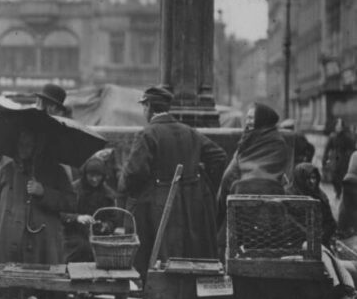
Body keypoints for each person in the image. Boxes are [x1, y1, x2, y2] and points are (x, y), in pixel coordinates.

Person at [120, 86, 227, 279]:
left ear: (149, 106)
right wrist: (199, 182)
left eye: (144, 106)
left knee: (158, 257)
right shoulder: (190, 132)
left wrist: (134, 189)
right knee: (189, 255)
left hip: (157, 205)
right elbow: (219, 157)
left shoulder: (148, 134)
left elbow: (134, 173)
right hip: (191, 203)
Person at [0, 125, 76, 299]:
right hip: (5, 244)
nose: (23, 149)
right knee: (6, 296)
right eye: (20, 144)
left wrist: (44, 192)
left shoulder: (56, 172)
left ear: (38, 146)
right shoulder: (6, 170)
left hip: (42, 247)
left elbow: (71, 202)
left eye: (28, 145)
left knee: (39, 297)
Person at [217, 103, 293, 233]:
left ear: (262, 119)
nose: (248, 122)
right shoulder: (278, 142)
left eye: (252, 118)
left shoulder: (249, 141)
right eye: (247, 118)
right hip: (272, 202)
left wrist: (219, 212)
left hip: (243, 197)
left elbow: (228, 176)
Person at [287, 162, 357, 299]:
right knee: (317, 250)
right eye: (308, 178)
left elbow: (330, 223)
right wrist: (310, 236)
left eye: (314, 178)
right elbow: (290, 223)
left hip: (320, 243)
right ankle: (343, 287)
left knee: (324, 253)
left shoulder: (320, 195)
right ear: (300, 179)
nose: (312, 181)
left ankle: (345, 287)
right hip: (297, 244)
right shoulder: (290, 195)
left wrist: (321, 236)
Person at [63, 154, 120, 263]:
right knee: (82, 248)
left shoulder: (108, 194)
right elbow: (61, 213)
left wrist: (105, 226)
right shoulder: (74, 190)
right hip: (74, 235)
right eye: (91, 175)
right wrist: (78, 218)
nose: (94, 179)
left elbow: (113, 219)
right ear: (85, 175)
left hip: (98, 237)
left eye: (98, 176)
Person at [323, 117, 355, 200]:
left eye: (340, 126)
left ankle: (341, 193)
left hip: (344, 160)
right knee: (333, 177)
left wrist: (348, 156)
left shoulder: (347, 137)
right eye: (337, 126)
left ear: (342, 127)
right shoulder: (332, 136)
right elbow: (327, 148)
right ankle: (337, 191)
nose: (339, 127)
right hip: (334, 159)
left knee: (342, 177)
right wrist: (325, 159)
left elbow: (352, 148)